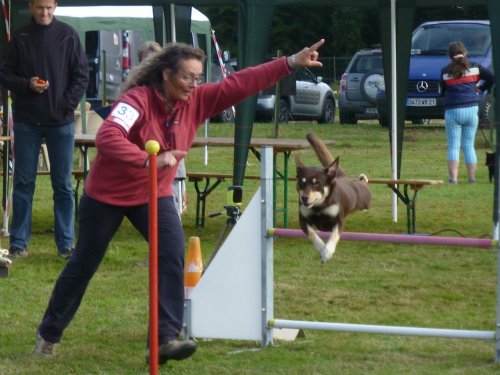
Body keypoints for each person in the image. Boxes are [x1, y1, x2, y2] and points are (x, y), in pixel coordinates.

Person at [33, 39, 325, 365]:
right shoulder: (136, 100)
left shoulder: (197, 101)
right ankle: (49, 333)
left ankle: (163, 339)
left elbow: (240, 83)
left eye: (198, 77)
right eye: (187, 77)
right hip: (107, 196)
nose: (194, 84)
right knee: (84, 264)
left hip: (152, 195)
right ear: (167, 74)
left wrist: (289, 62)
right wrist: (147, 159)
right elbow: (108, 136)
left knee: (172, 254)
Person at [0, 0, 89, 259]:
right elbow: (4, 74)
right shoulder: (20, 37)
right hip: (27, 120)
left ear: (55, 6)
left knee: (62, 184)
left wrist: (67, 103)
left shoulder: (68, 35)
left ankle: (65, 244)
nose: (45, 13)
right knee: (23, 183)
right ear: (31, 7)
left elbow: (81, 74)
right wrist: (27, 84)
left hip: (60, 121)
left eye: (49, 8)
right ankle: (18, 243)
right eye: (40, 8)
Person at [136, 40, 187, 217]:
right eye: (145, 62)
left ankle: (175, 214)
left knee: (170, 191)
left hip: (169, 149)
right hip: (146, 154)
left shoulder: (171, 87)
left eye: (152, 61)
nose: (149, 66)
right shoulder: (136, 90)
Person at [440, 41, 495, 184]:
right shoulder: (475, 67)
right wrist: (481, 88)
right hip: (471, 109)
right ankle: (472, 179)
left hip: (452, 111)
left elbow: (442, 92)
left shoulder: (445, 71)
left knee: (453, 145)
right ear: (464, 53)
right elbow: (491, 78)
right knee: (469, 145)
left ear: (450, 56)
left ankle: (453, 179)